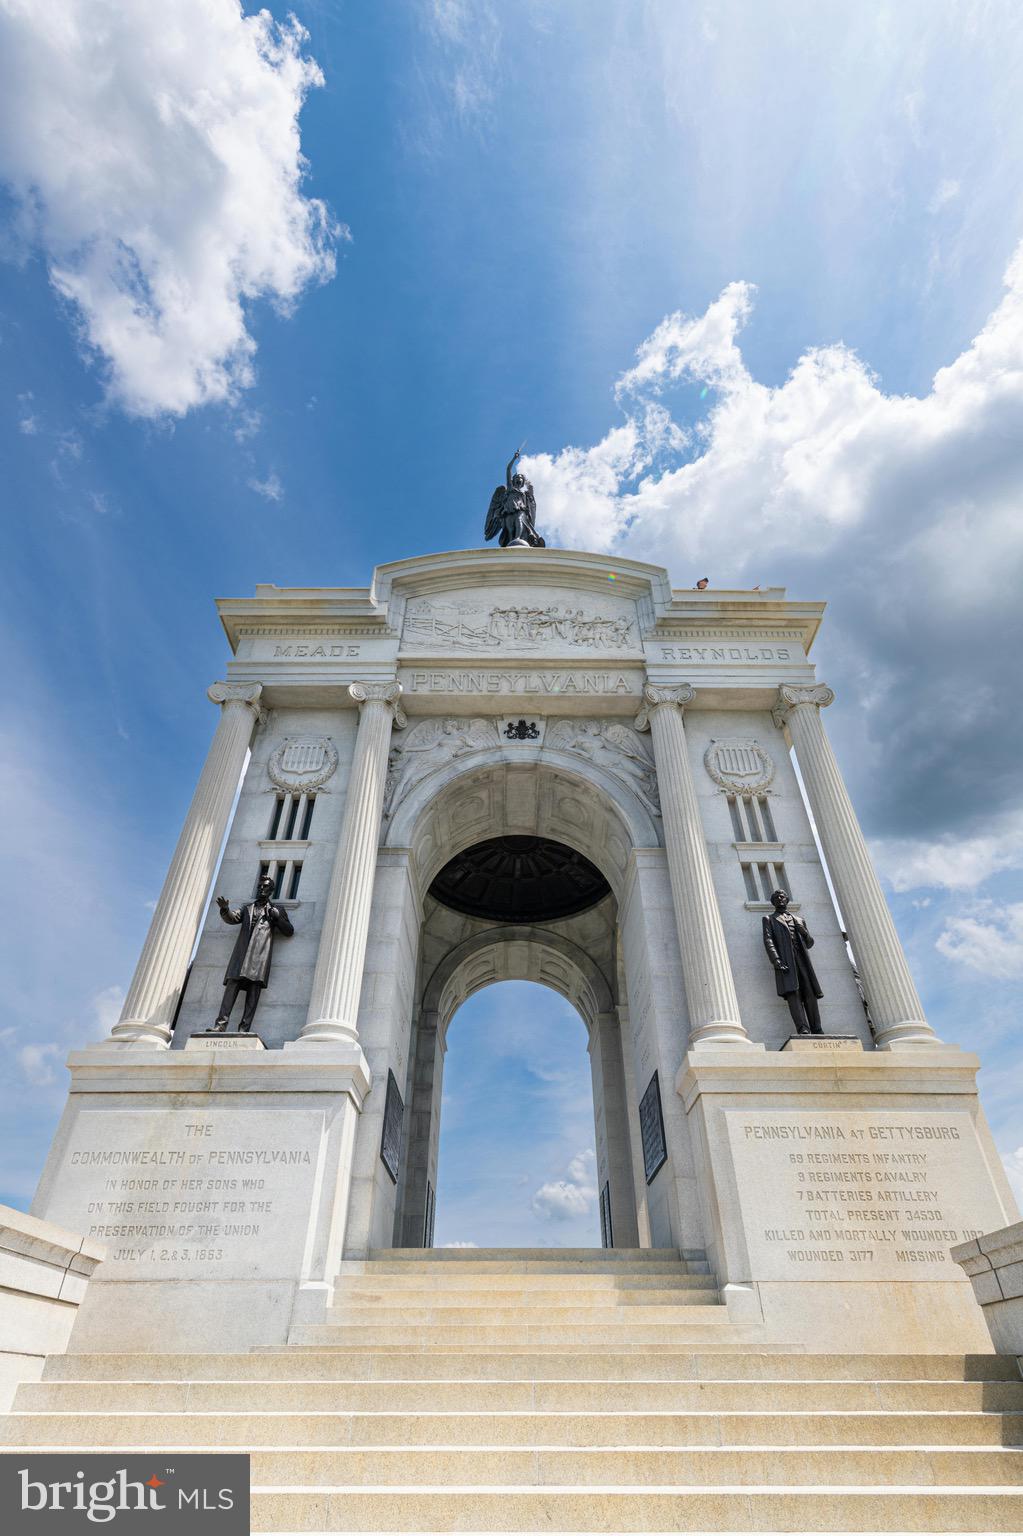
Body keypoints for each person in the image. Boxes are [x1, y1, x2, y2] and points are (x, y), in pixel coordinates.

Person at [211, 875, 294, 1032]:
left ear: (271, 890)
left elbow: (289, 931)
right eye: (260, 886)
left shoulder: (276, 910)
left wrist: (277, 918)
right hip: (241, 955)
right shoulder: (247, 908)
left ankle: (244, 1028)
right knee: (231, 986)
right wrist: (225, 909)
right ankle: (220, 1025)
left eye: (265, 887)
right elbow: (232, 918)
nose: (262, 888)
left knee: (253, 992)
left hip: (259, 957)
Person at [762, 888, 824, 1036]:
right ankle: (803, 1028)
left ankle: (816, 1027)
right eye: (776, 898)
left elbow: (809, 943)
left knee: (810, 993)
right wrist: (776, 959)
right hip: (786, 961)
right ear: (773, 902)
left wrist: (803, 931)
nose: (780, 899)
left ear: (787, 900)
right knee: (793, 994)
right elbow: (768, 940)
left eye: (782, 897)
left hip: (803, 961)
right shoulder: (769, 919)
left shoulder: (800, 920)